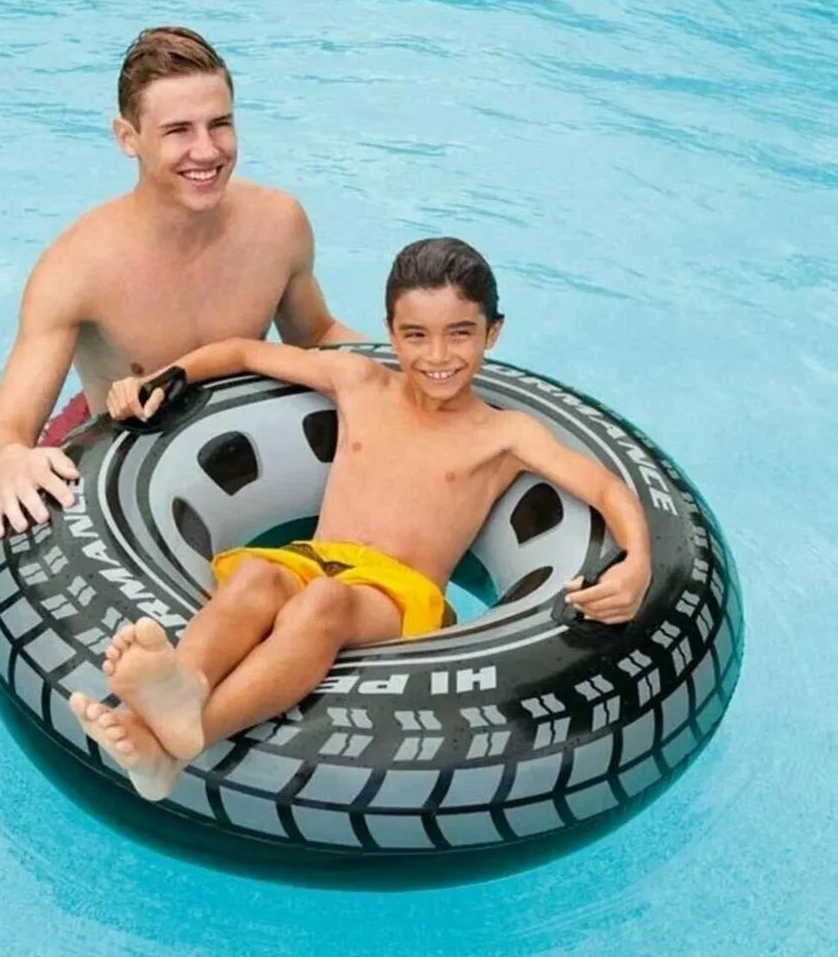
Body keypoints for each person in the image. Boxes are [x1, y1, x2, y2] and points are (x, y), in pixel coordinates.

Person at [68, 236, 653, 801]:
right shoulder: (359, 381)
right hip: (315, 560)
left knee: (324, 603)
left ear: (492, 333)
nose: (438, 357)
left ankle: (187, 740)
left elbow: (606, 487)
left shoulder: (503, 434)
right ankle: (185, 688)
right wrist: (167, 377)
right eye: (416, 335)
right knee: (256, 577)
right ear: (390, 333)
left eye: (460, 334)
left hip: (400, 596)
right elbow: (245, 352)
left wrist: (638, 564)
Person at [0, 26, 360, 540]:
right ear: (127, 138)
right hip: (121, 461)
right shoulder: (76, 270)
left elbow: (315, 336)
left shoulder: (277, 225)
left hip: (251, 451)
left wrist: (410, 366)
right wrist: (10, 461)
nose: (207, 151)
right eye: (179, 131)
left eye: (220, 124)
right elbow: (5, 431)